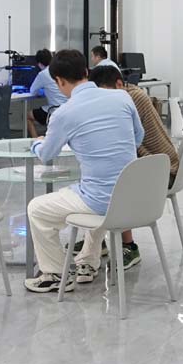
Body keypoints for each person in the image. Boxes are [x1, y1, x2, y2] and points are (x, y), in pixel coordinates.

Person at [23, 50, 144, 293]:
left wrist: (36, 142)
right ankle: (87, 261)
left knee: (37, 209)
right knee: (93, 190)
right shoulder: (122, 97)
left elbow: (46, 154)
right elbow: (137, 138)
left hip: (100, 200)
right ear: (86, 72)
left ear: (59, 81)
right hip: (132, 196)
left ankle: (56, 273)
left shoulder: (63, 113)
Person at [89, 65, 178, 270]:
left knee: (112, 182)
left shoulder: (130, 99)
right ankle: (95, 241)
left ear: (119, 84)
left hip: (162, 171)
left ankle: (128, 246)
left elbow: (124, 142)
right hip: (156, 164)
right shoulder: (129, 94)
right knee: (104, 178)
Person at [27, 49, 67, 136]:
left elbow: (32, 91)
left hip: (53, 110)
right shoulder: (61, 70)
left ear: (39, 64)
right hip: (67, 109)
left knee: (28, 116)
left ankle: (36, 140)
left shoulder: (43, 74)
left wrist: (41, 91)